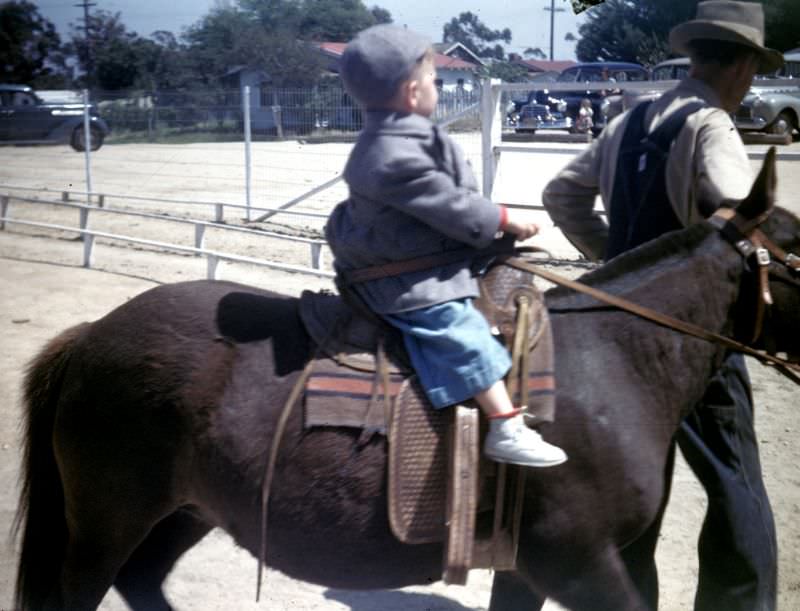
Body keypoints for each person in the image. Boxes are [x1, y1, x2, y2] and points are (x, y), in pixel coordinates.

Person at [541, 2, 781, 609]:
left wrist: (616, 264)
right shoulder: (712, 126)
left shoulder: (628, 120)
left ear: (698, 55)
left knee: (633, 484)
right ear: (744, 65)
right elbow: (741, 220)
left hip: (619, 338)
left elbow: (560, 193)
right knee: (736, 489)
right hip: (692, 336)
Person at [325, 24, 567, 468]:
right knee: (458, 329)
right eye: (435, 80)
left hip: (415, 254)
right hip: (405, 276)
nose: (438, 88)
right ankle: (506, 426)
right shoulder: (392, 152)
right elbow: (447, 203)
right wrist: (504, 218)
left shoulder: (398, 138)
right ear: (413, 92)